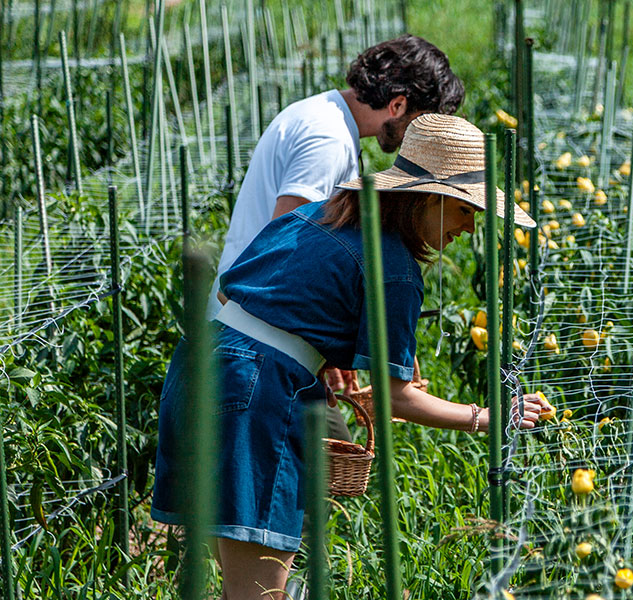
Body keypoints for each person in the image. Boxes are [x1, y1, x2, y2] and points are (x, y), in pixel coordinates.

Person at [152, 114, 542, 599]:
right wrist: (486, 418)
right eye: (465, 210)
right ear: (429, 198)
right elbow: (395, 398)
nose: (469, 227)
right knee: (259, 590)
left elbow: (232, 294)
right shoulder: (394, 266)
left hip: (197, 367)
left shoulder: (320, 213)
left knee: (236, 576)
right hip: (255, 395)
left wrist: (313, 352)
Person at [206, 34, 465, 417]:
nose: (418, 142)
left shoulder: (324, 115)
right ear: (397, 105)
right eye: (420, 125)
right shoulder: (328, 142)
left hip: (249, 333)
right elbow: (288, 256)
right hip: (255, 347)